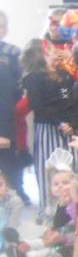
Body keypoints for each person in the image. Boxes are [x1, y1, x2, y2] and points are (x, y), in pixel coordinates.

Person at [0, 163, 76, 257]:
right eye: (56, 184)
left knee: (49, 255)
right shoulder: (53, 203)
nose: (61, 186)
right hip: (55, 237)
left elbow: (76, 228)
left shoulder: (77, 203)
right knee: (42, 241)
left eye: (66, 183)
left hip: (70, 240)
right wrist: (48, 230)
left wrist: (61, 237)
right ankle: (23, 251)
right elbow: (50, 220)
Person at [21, 40, 75, 210]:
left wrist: (71, 123)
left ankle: (73, 208)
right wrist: (59, 123)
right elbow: (38, 105)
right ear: (42, 54)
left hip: (70, 128)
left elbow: (73, 100)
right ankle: (50, 209)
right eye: (51, 49)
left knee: (72, 166)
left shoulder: (66, 75)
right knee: (48, 169)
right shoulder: (32, 79)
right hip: (48, 128)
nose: (57, 51)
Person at [0, 11, 25, 205]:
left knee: (10, 156)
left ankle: (16, 190)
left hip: (7, 113)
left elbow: (18, 85)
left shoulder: (13, 53)